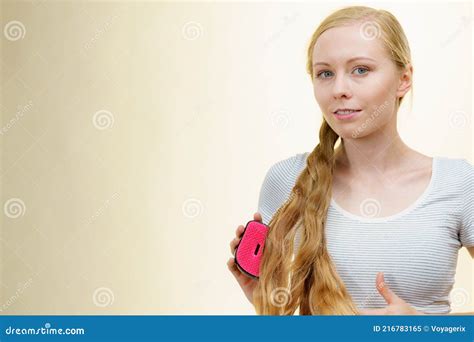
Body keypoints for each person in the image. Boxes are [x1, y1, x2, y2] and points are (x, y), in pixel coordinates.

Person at [227, 5, 473, 315]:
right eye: (325, 73)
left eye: (360, 70)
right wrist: (263, 300)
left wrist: (423, 328)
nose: (339, 89)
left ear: (404, 78)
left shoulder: (458, 184)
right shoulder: (287, 180)